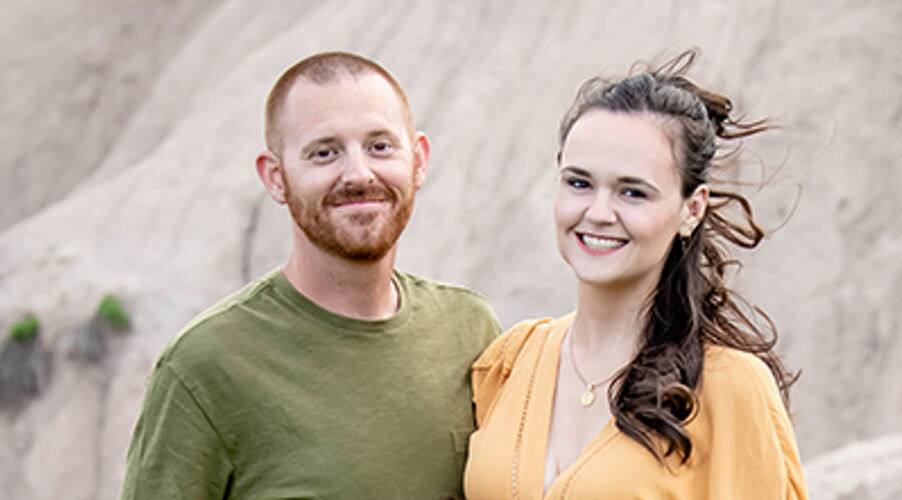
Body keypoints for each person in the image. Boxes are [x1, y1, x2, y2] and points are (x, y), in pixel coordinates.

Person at [120, 51, 500, 499]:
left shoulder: (471, 332)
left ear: (418, 160)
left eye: (380, 146)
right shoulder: (204, 368)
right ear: (276, 178)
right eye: (325, 153)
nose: (359, 174)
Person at [463, 49, 807, 499]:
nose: (598, 213)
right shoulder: (511, 360)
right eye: (579, 183)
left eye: (633, 192)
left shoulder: (731, 388)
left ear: (692, 209)